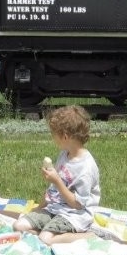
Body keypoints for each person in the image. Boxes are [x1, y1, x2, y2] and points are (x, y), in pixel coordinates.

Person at [13, 105, 101, 245]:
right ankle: (46, 234)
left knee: (44, 239)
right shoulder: (65, 154)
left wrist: (57, 181)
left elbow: (78, 205)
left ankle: (89, 235)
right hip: (55, 209)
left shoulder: (86, 168)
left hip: (74, 215)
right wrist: (40, 207)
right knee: (18, 226)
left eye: (54, 135)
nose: (52, 139)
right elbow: (53, 190)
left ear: (65, 137)